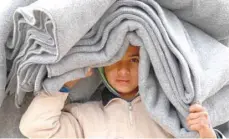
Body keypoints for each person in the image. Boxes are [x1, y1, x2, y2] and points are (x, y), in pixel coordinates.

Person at [19, 45, 224, 138]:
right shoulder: (82, 117)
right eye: (114, 60)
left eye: (134, 60)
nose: (123, 70)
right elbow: (34, 128)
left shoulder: (168, 111)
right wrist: (66, 83)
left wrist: (207, 135)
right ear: (101, 66)